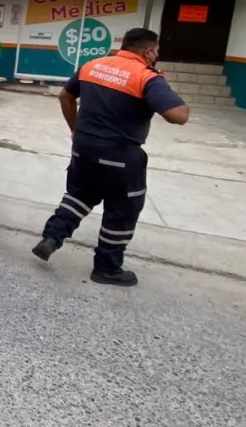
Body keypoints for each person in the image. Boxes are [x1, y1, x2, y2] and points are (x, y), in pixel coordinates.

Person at [32, 28, 189, 287]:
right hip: (121, 157)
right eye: (157, 51)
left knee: (78, 196)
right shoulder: (147, 77)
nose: (157, 55)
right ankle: (107, 268)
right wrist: (168, 91)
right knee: (122, 210)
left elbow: (65, 95)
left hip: (84, 149)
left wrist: (75, 130)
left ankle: (51, 238)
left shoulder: (92, 65)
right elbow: (178, 116)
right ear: (148, 51)